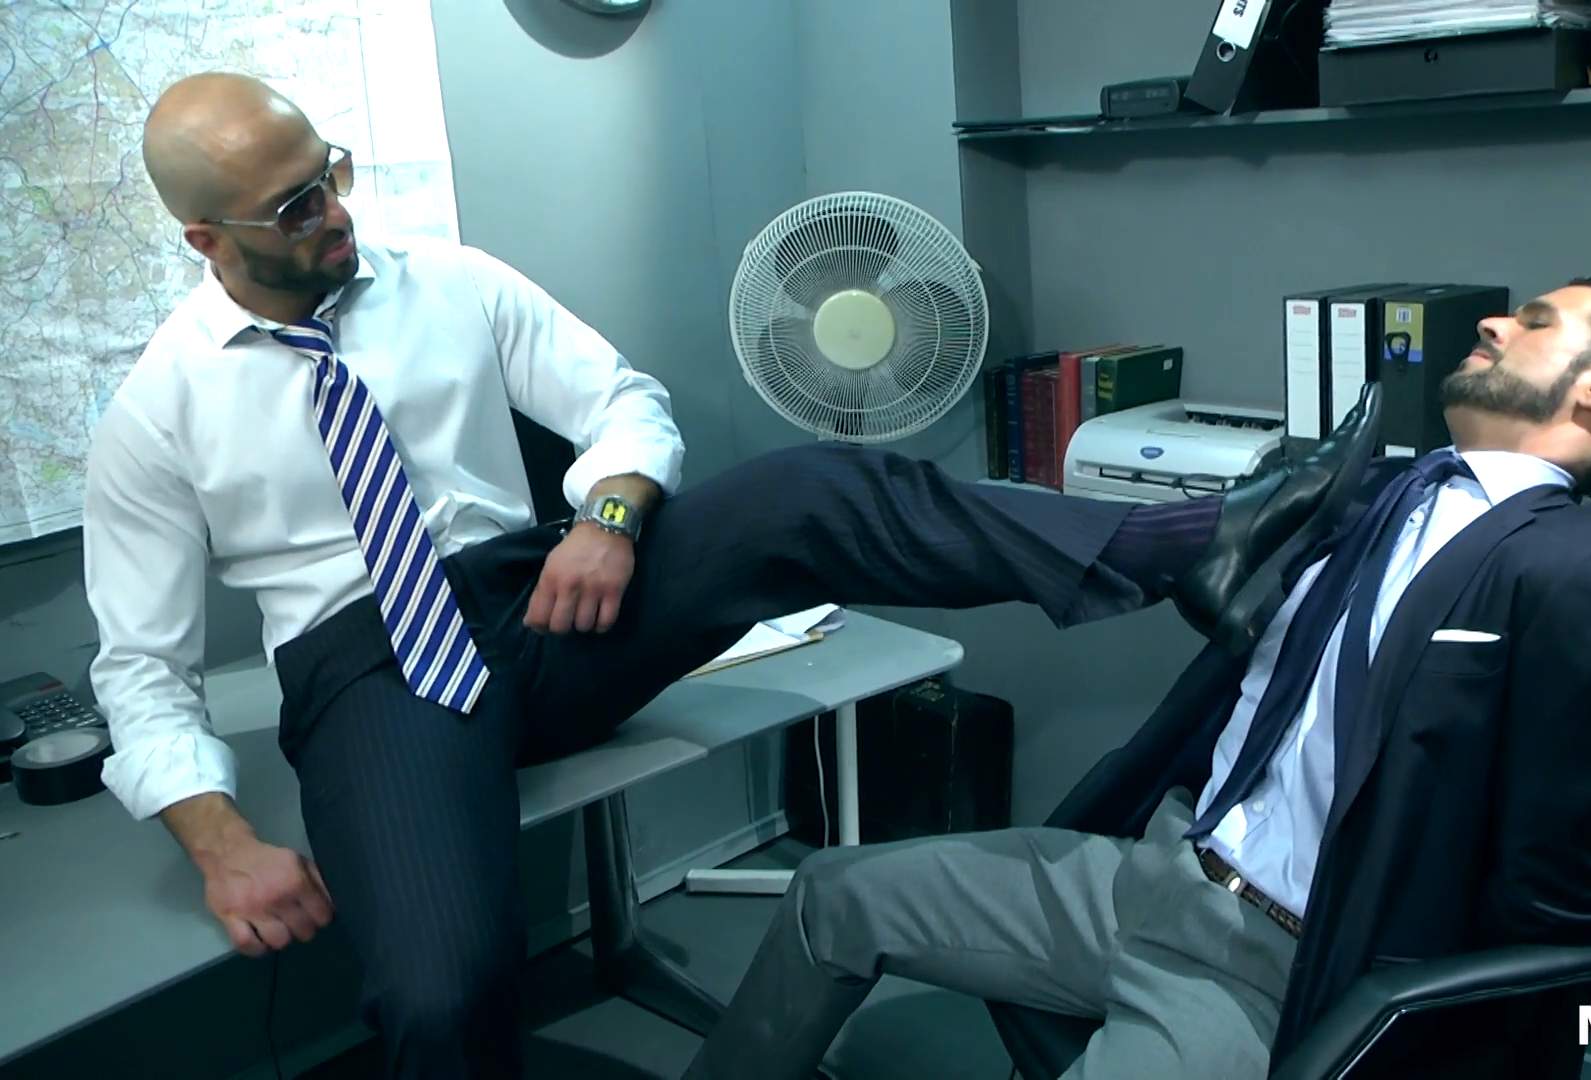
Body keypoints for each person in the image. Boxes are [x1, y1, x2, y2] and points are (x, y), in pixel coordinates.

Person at [84, 73, 1368, 1079]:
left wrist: (610, 515)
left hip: (546, 599)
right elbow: (139, 671)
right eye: (295, 206)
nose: (336, 210)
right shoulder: (157, 411)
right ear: (205, 237)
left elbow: (623, 404)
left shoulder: (451, 284)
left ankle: (1187, 547)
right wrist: (219, 841)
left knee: (805, 489)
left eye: (334, 171)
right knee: (439, 988)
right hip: (375, 674)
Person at [684, 278, 1591, 1079]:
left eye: (1535, 322)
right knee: (830, 893)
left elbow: (1554, 900)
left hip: (1274, 961)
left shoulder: (1589, 579)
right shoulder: (1377, 492)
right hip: (1153, 872)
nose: (1493, 322)